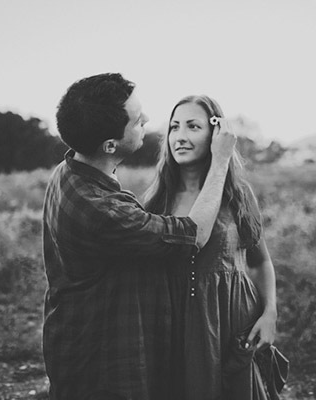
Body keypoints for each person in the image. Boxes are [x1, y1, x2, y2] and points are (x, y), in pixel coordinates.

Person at [42, 74, 237, 400]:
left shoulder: (69, 170)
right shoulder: (102, 209)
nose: (147, 119)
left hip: (80, 343)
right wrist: (221, 163)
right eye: (136, 119)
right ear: (110, 145)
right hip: (101, 366)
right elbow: (193, 235)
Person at [144, 95, 278, 400]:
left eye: (193, 127)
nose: (180, 136)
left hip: (231, 321)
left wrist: (270, 314)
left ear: (217, 136)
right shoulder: (156, 200)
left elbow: (259, 262)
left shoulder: (238, 195)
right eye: (174, 127)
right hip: (174, 324)